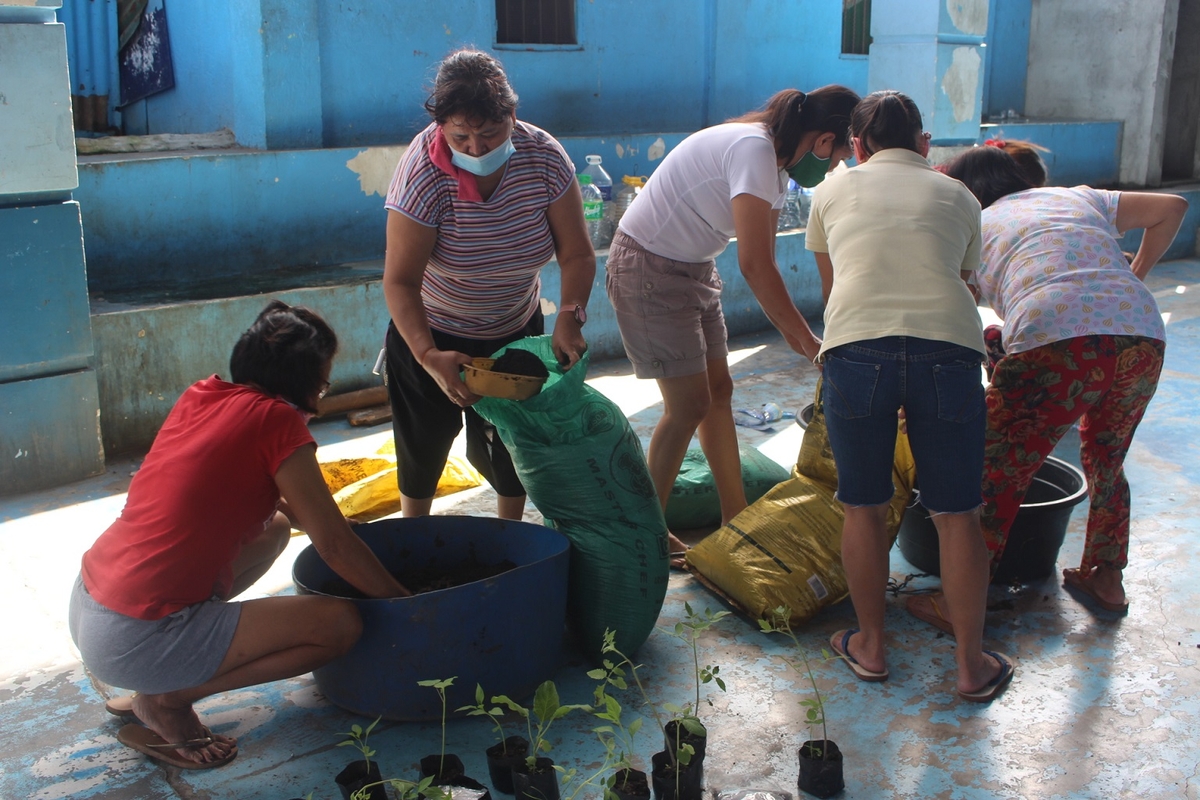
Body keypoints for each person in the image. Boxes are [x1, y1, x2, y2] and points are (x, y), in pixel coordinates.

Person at [69, 301, 410, 769]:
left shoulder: (203, 395)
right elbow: (334, 547)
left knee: (274, 529)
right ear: (308, 379)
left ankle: (163, 671)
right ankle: (167, 697)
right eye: (325, 377)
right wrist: (406, 603)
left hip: (92, 607)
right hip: (137, 637)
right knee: (339, 625)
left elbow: (277, 499)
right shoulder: (278, 422)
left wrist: (323, 521)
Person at [905, 146, 1186, 626]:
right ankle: (1106, 577)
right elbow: (1172, 208)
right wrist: (1133, 276)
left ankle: (959, 603)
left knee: (994, 471)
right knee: (1107, 458)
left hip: (1056, 345)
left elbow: (952, 312)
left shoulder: (973, 224)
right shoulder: (1074, 197)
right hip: (1141, 336)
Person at [805, 90, 1014, 702]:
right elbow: (964, 279)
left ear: (857, 146)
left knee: (862, 506)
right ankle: (971, 667)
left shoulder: (832, 189)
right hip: (948, 350)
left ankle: (870, 646)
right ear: (924, 144)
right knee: (958, 515)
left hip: (855, 349)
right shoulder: (958, 194)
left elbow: (837, 288)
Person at [605, 85, 860, 566]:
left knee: (718, 392)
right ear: (824, 140)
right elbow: (757, 265)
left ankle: (734, 518)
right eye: (837, 157)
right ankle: (647, 535)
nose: (831, 169)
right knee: (686, 406)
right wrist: (808, 344)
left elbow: (764, 258)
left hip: (695, 267)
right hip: (650, 268)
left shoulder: (776, 165)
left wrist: (807, 340)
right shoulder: (754, 149)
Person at [382, 48, 594, 522]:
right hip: (431, 333)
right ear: (441, 127)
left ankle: (510, 535)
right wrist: (428, 356)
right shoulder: (421, 175)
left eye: (490, 134)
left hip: (513, 329)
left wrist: (569, 317)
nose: (475, 148)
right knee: (423, 447)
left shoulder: (543, 157)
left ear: (512, 117)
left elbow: (577, 253)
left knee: (511, 446)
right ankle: (413, 535)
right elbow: (399, 281)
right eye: (461, 136)